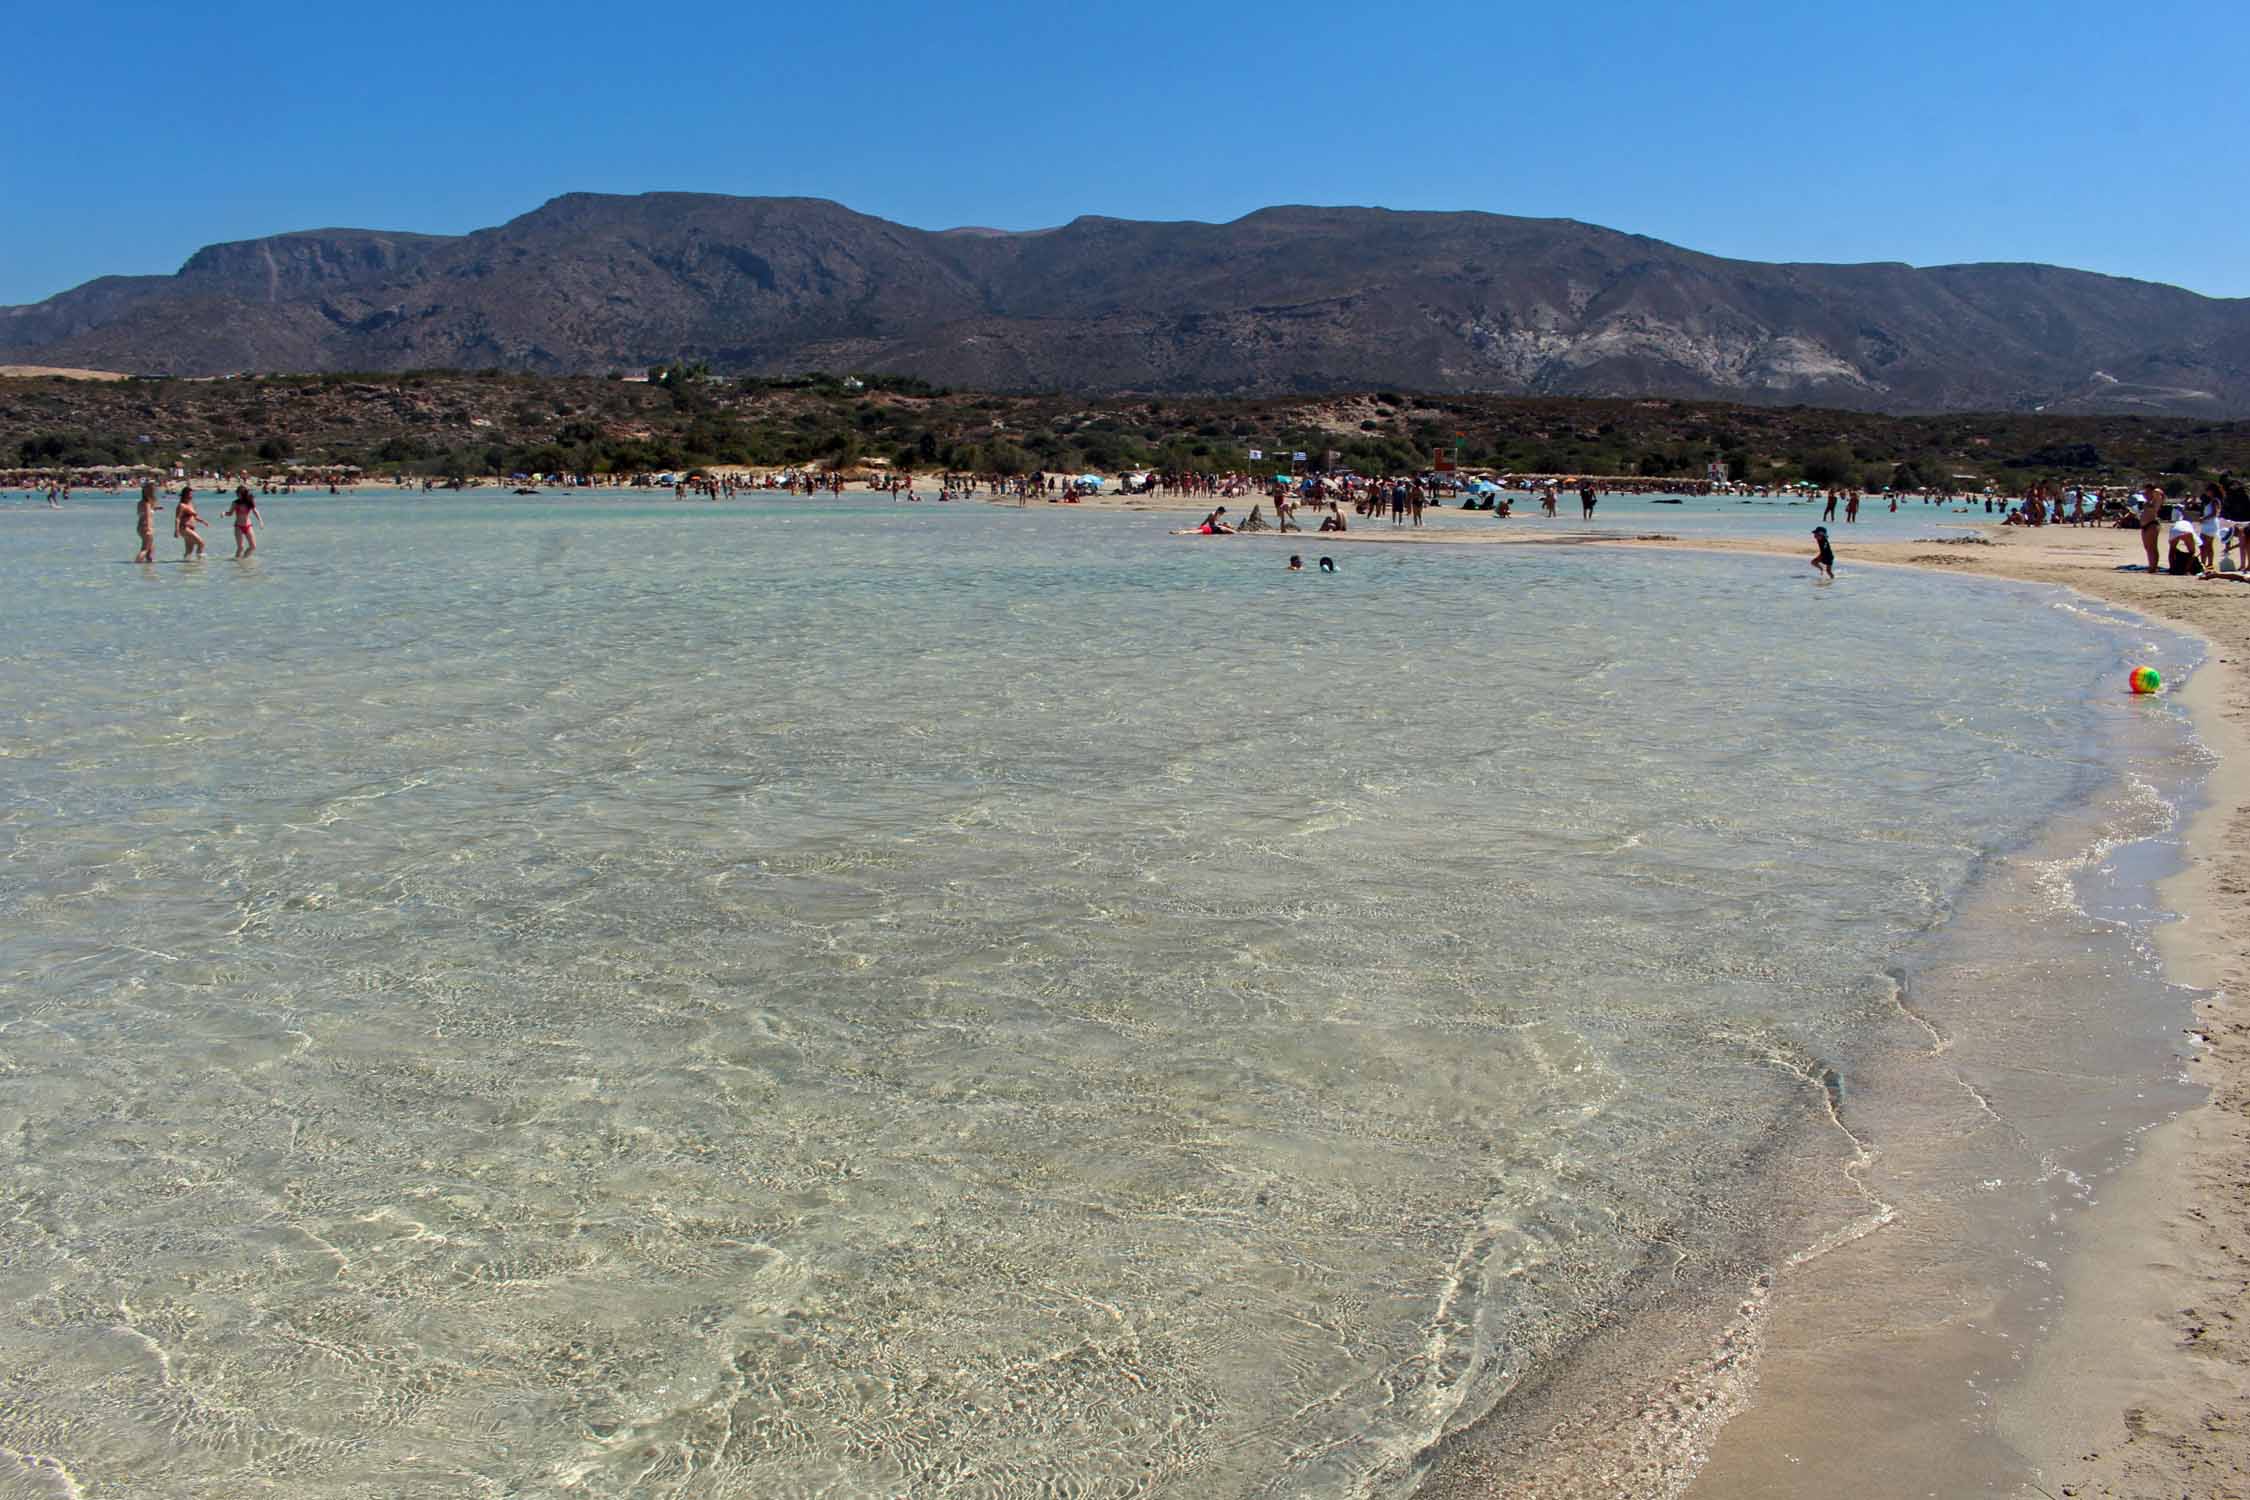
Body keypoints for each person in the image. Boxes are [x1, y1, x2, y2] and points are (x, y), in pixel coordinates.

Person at [223, 486, 260, 558]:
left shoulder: (250, 502)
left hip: (248, 525)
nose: (238, 495)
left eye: (239, 493)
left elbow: (255, 511)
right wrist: (224, 513)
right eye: (237, 493)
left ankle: (243, 560)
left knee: (253, 546)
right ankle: (237, 563)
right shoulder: (235, 503)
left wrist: (260, 521)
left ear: (244, 493)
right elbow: (230, 513)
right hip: (238, 526)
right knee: (240, 547)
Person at [175, 487, 207, 560]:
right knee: (201, 543)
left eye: (191, 494)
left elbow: (194, 516)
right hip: (184, 528)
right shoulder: (181, 505)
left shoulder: (191, 504)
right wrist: (176, 530)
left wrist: (202, 521)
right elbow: (177, 518)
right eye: (190, 494)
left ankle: (187, 567)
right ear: (185, 495)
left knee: (189, 551)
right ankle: (200, 561)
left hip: (191, 529)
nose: (191, 496)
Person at [2139, 488, 2165, 573]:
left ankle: (2153, 567)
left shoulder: (2157, 500)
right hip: (2144, 525)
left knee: (2152, 547)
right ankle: (2151, 565)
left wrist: (2153, 491)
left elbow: (2158, 492)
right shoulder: (2148, 501)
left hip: (2152, 524)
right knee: (2147, 548)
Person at [134, 480, 159, 564]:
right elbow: (148, 516)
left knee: (151, 550)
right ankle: (136, 565)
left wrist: (155, 509)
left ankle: (148, 570)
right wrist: (149, 529)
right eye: (153, 490)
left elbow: (142, 513)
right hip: (146, 527)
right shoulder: (147, 503)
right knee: (145, 549)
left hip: (140, 527)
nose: (154, 491)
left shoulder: (141, 502)